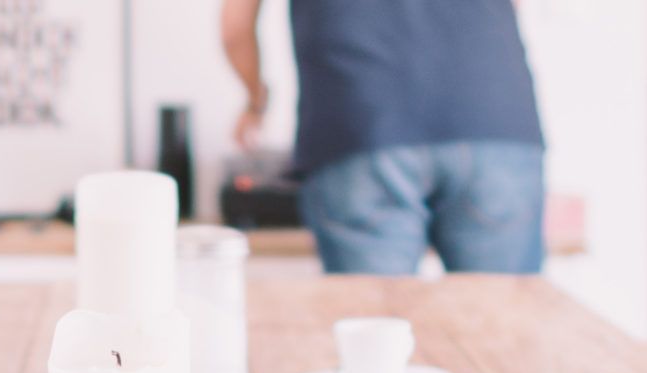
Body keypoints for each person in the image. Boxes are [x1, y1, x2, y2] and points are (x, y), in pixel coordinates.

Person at [221, 0, 547, 276]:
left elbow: (235, 28)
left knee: (376, 332)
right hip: (494, 114)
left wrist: (256, 102)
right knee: (501, 326)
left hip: (363, 120)